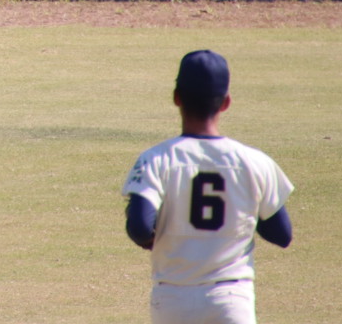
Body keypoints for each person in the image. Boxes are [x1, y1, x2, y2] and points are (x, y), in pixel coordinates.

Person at [122, 50, 294, 324]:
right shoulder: (253, 162)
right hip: (231, 299)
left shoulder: (156, 159)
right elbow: (282, 234)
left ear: (176, 97)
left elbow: (139, 227)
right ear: (226, 102)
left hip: (172, 299)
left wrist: (153, 239)